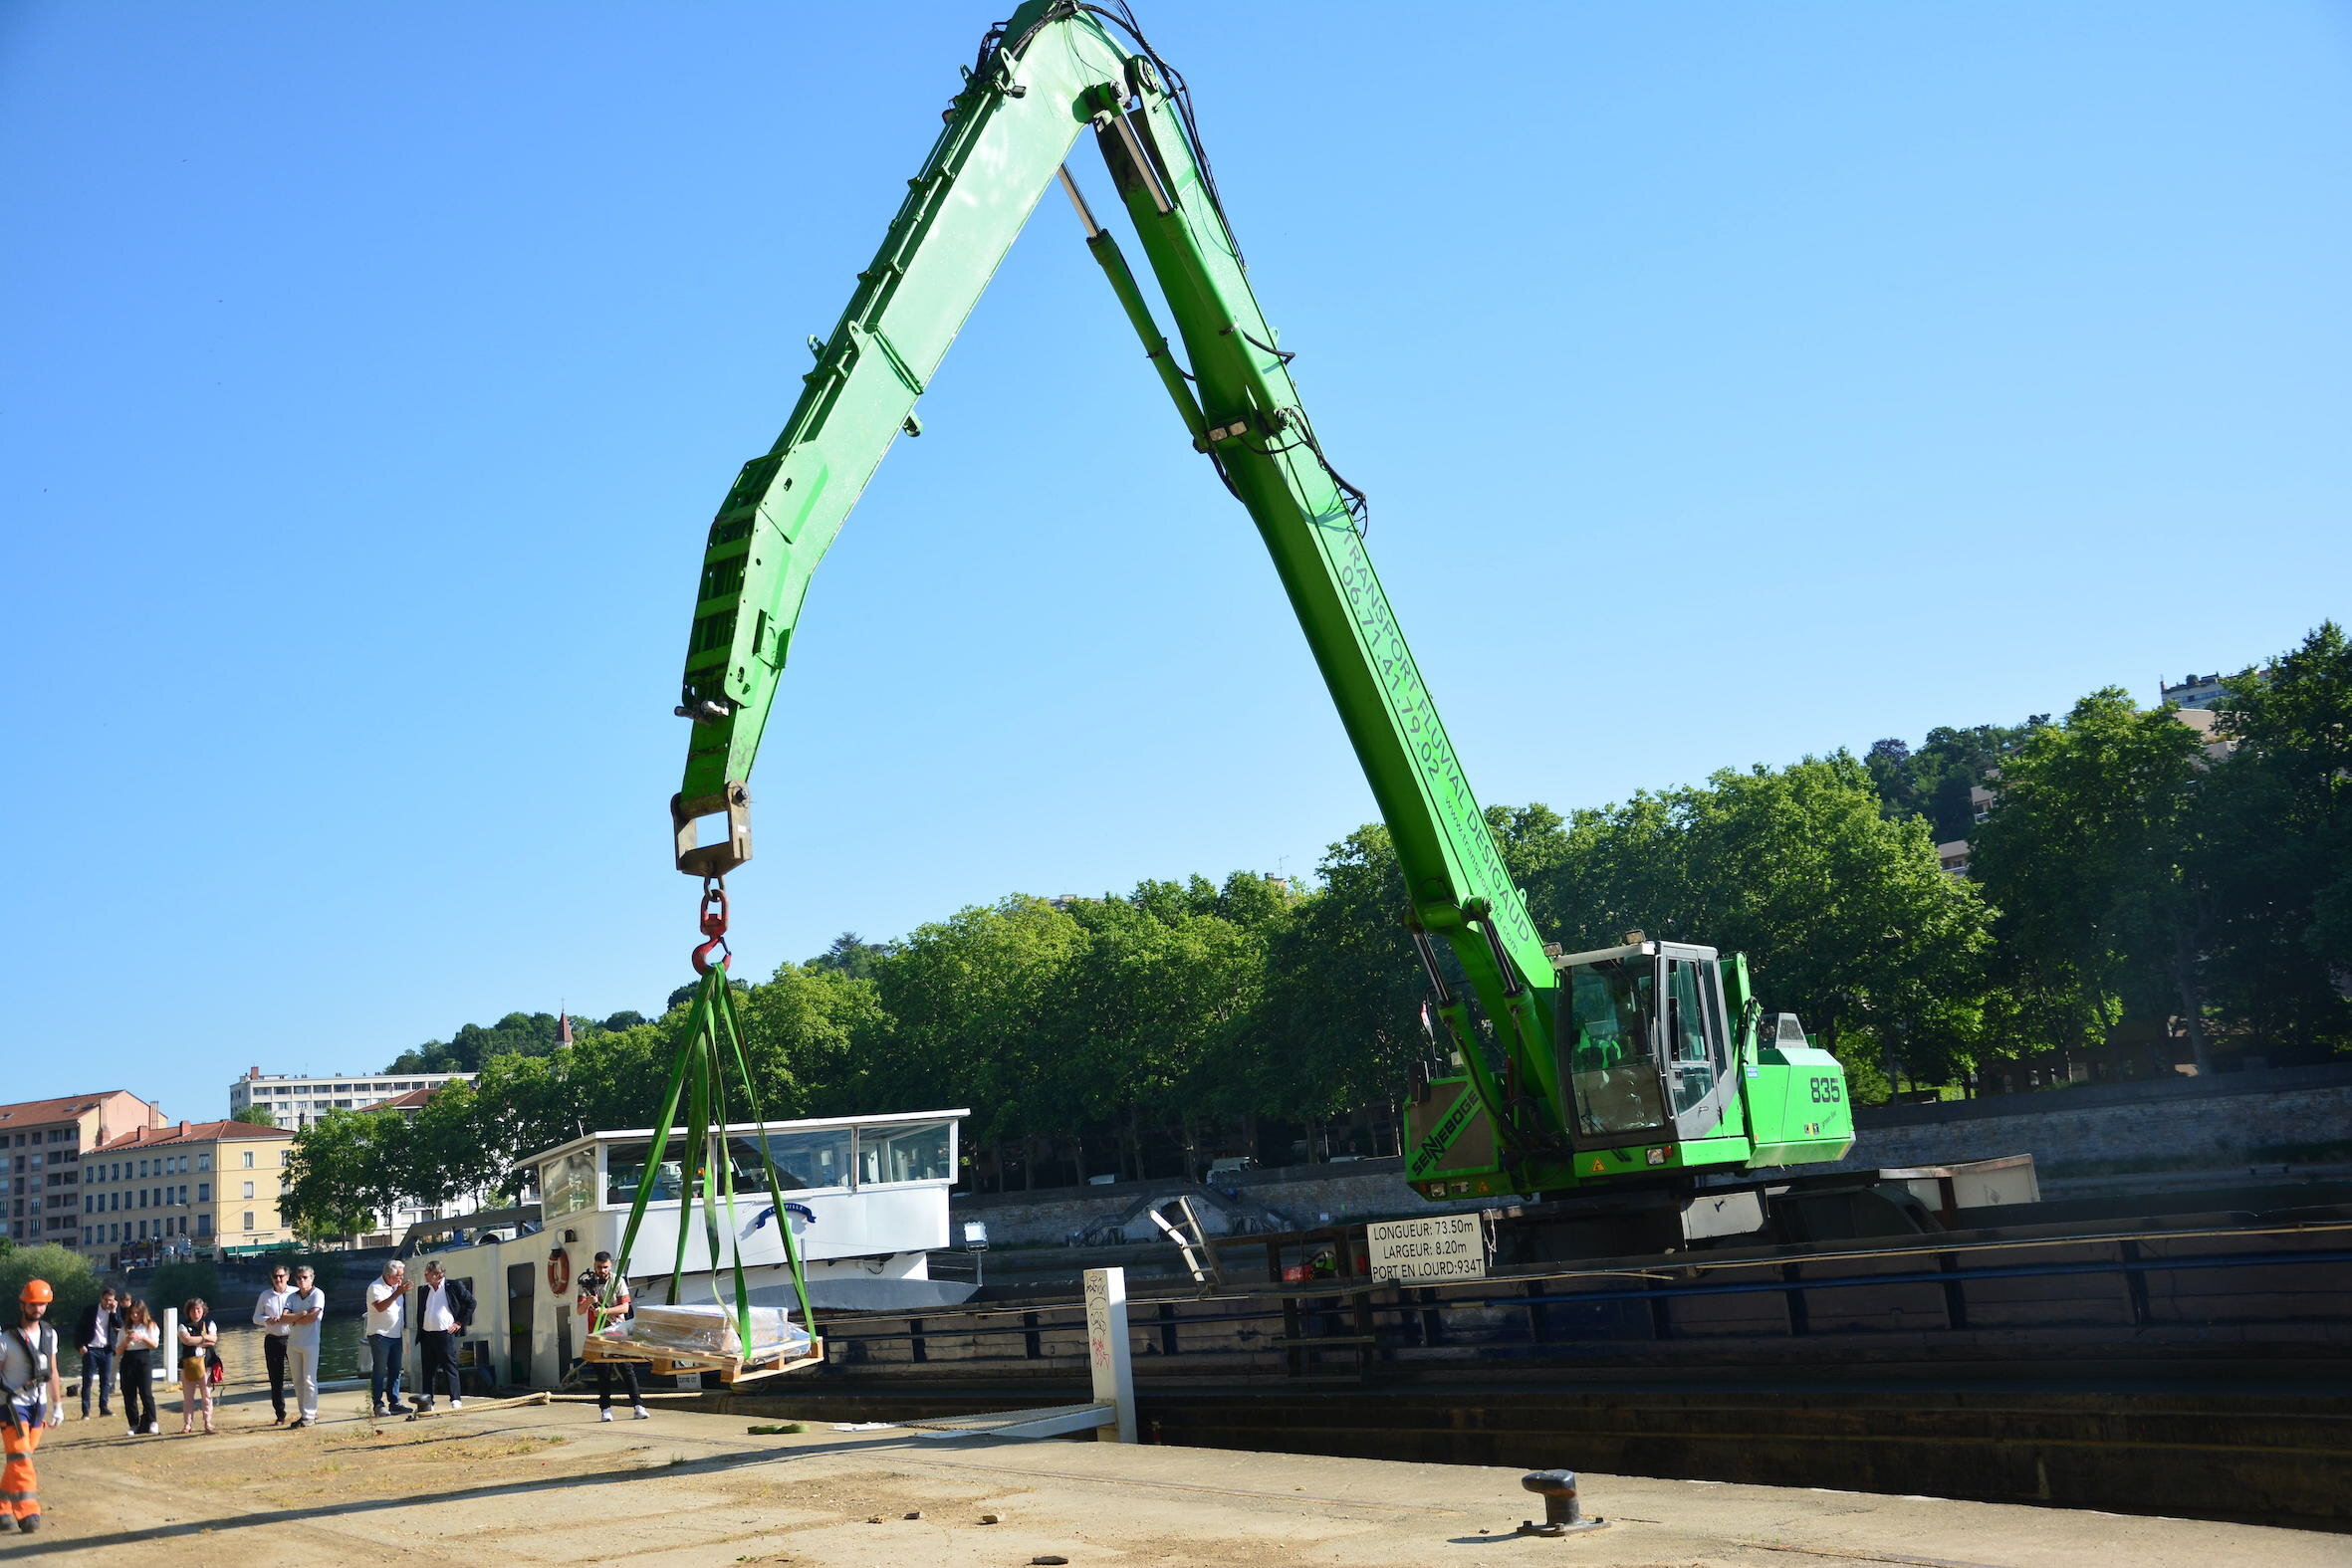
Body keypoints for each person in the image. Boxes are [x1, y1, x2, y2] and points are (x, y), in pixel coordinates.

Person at [0, 1280, 64, 1533]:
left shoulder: (50, 1334)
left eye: (42, 1304)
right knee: (21, 1459)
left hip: (38, 1406)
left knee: (19, 1460)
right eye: (33, 1304)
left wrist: (58, 1405)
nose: (38, 1309)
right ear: (23, 1304)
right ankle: (28, 1512)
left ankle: (2, 1506)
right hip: (12, 1406)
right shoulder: (5, 1339)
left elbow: (53, 1371)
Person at [574, 1252, 648, 1422]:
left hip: (618, 1331)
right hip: (598, 1333)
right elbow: (579, 1311)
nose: (602, 1270)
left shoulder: (617, 1281)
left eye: (605, 1267)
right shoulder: (586, 1284)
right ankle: (605, 1409)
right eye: (599, 1267)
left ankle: (638, 1406)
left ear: (610, 1266)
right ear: (594, 1266)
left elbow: (624, 1307)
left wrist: (605, 1311)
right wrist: (588, 1302)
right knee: (603, 1371)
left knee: (627, 1368)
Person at [411, 1260, 474, 1414]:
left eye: (428, 1272)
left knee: (449, 1367)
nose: (425, 1275)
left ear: (438, 1274)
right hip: (427, 1334)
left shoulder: (453, 1286)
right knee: (428, 1370)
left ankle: (455, 1399)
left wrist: (459, 1322)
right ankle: (428, 1401)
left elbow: (471, 1303)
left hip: (445, 1334)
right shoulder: (423, 1290)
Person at [251, 1264, 296, 1425]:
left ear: (287, 1277)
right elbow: (255, 1317)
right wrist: (266, 1320)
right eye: (276, 1277)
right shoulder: (265, 1295)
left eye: (281, 1276)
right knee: (276, 1379)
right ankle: (280, 1414)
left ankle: (308, 1410)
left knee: (300, 1376)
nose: (279, 1279)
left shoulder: (295, 1293)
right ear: (272, 1278)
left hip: (292, 1338)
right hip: (273, 1339)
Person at [364, 1259, 410, 1417]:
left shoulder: (397, 1287)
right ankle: (378, 1403)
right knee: (379, 1369)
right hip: (380, 1334)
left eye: (402, 1276)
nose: (401, 1279)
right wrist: (397, 1293)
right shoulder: (375, 1287)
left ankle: (394, 1401)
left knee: (396, 1370)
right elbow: (380, 1307)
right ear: (388, 1275)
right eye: (398, 1276)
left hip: (396, 1334)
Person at [282, 1266, 325, 1428]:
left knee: (309, 1379)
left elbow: (313, 1316)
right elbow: (283, 1318)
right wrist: (301, 1315)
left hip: (311, 1342)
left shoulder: (317, 1294)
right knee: (297, 1380)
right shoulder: (292, 1297)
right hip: (293, 1343)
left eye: (305, 1277)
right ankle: (304, 1413)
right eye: (299, 1278)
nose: (302, 1281)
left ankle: (310, 1414)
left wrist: (294, 1318)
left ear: (312, 1278)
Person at [74, 1286, 122, 1422]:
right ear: (101, 1298)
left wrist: (113, 1311)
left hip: (106, 1350)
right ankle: (86, 1411)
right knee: (87, 1381)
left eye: (111, 1300)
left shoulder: (113, 1311)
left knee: (105, 1381)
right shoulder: (90, 1310)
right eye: (106, 1300)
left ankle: (104, 1408)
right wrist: (80, 1345)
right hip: (91, 1350)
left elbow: (119, 1325)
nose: (108, 1303)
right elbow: (78, 1329)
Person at [176, 1297, 220, 1436]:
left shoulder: (209, 1323)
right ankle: (187, 1424)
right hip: (188, 1364)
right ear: (188, 1311)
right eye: (193, 1310)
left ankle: (207, 1421)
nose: (196, 1312)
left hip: (206, 1363)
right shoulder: (183, 1325)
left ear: (203, 1311)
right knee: (188, 1397)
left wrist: (196, 1340)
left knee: (206, 1394)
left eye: (198, 1309)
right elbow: (186, 1340)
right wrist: (203, 1338)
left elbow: (213, 1340)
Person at [118, 1299, 159, 1436]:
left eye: (137, 1313)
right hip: (128, 1359)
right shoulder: (125, 1329)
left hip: (143, 1358)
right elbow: (118, 1351)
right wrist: (127, 1341)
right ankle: (134, 1424)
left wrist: (142, 1338)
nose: (134, 1316)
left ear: (143, 1313)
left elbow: (154, 1345)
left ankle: (152, 1421)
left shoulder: (150, 1326)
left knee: (146, 1392)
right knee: (129, 1394)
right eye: (132, 1313)